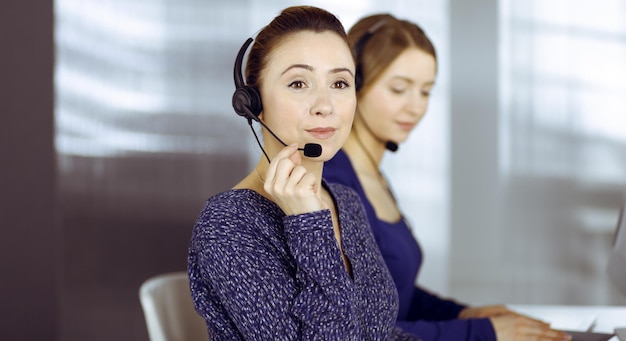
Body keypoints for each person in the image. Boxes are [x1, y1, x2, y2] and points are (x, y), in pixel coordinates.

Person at [323, 13, 572, 341]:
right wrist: (482, 332)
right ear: (355, 84)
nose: (415, 107)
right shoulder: (333, 182)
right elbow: (358, 329)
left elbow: (394, 297)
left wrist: (462, 314)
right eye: (399, 89)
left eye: (426, 92)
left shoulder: (373, 176)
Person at [187, 6, 421, 340]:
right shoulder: (228, 224)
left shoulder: (344, 201)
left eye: (340, 83)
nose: (325, 104)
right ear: (253, 102)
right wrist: (310, 226)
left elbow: (377, 332)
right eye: (299, 83)